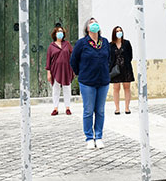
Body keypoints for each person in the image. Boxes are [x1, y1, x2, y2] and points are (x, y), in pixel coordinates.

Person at [70, 18, 110, 150]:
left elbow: (110, 58)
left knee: (100, 111)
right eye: (91, 23)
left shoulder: (104, 42)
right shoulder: (82, 43)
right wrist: (80, 73)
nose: (94, 24)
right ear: (87, 28)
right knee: (88, 110)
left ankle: (98, 137)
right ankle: (89, 138)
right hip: (87, 82)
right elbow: (73, 60)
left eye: (95, 22)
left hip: (103, 81)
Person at [46, 24, 74, 116]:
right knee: (56, 89)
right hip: (55, 70)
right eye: (58, 32)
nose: (60, 33)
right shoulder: (51, 46)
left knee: (67, 88)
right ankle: (55, 108)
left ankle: (67, 108)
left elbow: (73, 56)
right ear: (55, 34)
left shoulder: (67, 44)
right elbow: (48, 60)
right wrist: (48, 73)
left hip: (66, 70)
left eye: (61, 31)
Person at [109, 26, 135, 115]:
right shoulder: (111, 45)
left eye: (120, 31)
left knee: (127, 88)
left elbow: (130, 55)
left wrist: (126, 63)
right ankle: (117, 108)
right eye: (117, 31)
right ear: (114, 33)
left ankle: (127, 108)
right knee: (116, 88)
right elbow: (109, 57)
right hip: (115, 69)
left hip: (126, 68)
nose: (119, 32)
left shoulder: (126, 43)